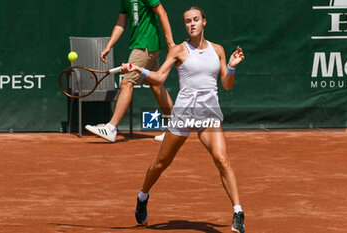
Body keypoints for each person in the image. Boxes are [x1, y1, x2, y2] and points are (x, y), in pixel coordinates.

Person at [120, 6, 245, 233]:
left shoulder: (217, 50)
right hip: (184, 114)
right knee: (161, 163)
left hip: (209, 114)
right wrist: (139, 69)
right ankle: (142, 195)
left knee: (222, 159)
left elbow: (226, 85)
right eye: (188, 21)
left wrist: (232, 68)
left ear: (204, 21)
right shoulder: (178, 50)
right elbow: (158, 78)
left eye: (196, 20)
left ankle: (238, 212)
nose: (192, 24)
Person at [85, 0, 174, 142]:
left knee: (127, 83)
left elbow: (162, 12)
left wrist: (170, 44)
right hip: (145, 45)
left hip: (144, 45)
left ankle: (111, 128)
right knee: (157, 86)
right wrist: (109, 46)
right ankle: (176, 127)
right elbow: (121, 23)